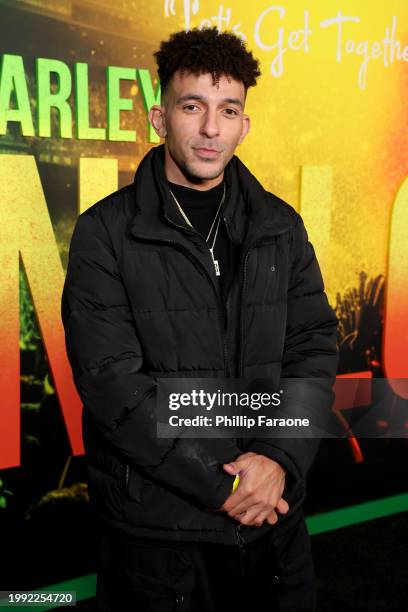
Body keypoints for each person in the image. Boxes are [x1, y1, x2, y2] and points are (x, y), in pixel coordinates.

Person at [61, 27, 339, 612]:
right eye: (193, 107)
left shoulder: (280, 226)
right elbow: (114, 386)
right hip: (161, 541)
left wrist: (278, 462)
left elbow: (312, 347)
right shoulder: (105, 232)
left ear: (244, 124)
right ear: (161, 118)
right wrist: (226, 488)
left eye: (228, 110)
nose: (211, 128)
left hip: (274, 527)